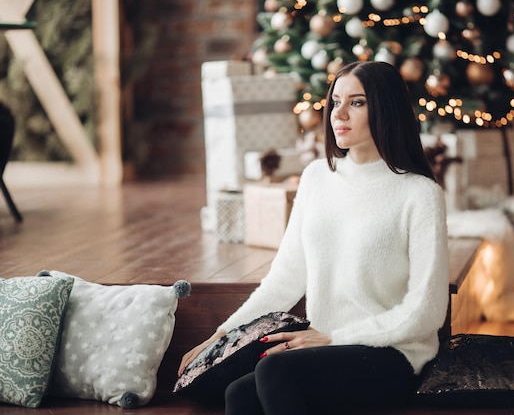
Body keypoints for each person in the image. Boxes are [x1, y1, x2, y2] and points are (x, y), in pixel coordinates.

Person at [179, 61, 450, 415]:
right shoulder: (316, 177)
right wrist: (221, 336)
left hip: (392, 353)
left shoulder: (419, 194)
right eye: (335, 101)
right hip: (324, 345)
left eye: (357, 102)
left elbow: (426, 312)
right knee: (239, 394)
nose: (339, 114)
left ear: (386, 108)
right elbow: (284, 279)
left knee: (275, 370)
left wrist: (335, 338)